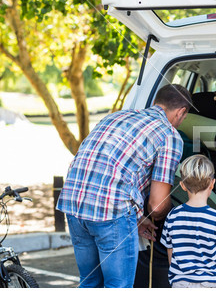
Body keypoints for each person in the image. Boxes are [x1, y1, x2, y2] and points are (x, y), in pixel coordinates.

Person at [56, 84, 192, 288]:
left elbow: (107, 169)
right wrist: (179, 217)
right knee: (117, 287)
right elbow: (157, 205)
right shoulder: (169, 135)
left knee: (90, 281)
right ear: (182, 112)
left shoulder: (116, 116)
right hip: (110, 212)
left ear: (156, 102)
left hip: (73, 203)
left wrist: (137, 217)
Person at [160, 154, 216, 288]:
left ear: (182, 185)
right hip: (211, 284)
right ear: (212, 184)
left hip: (181, 284)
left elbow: (169, 248)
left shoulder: (172, 216)